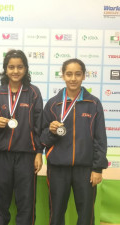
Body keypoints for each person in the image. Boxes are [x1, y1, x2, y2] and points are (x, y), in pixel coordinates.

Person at [40, 58, 108, 225]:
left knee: (86, 215)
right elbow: (42, 138)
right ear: (62, 75)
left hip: (85, 170)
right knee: (56, 214)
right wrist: (52, 131)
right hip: (57, 169)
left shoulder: (93, 103)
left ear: (84, 76)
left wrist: (97, 168)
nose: (73, 78)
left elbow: (100, 138)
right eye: (69, 74)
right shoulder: (53, 104)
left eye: (77, 74)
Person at [0, 49, 43, 225]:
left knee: (26, 202)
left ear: (26, 69)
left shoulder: (33, 93)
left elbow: (39, 125)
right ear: (5, 69)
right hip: (1, 155)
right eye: (11, 67)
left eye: (20, 67)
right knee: (0, 201)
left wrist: (38, 152)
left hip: (26, 155)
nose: (15, 71)